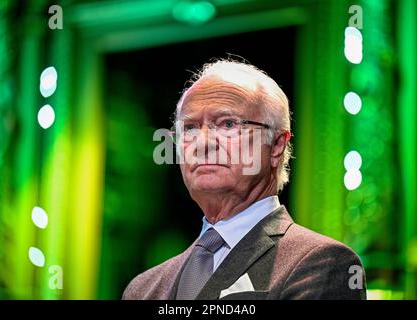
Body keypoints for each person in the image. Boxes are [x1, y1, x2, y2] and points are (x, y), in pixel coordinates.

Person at [122, 59, 366, 300]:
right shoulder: (143, 289)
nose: (203, 142)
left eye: (228, 124)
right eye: (190, 128)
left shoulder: (322, 265)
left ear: (276, 145)